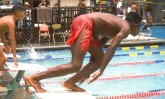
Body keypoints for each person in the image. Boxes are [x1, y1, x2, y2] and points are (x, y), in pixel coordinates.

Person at [23, 11, 142, 92]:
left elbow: (98, 48)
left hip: (85, 23)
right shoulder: (125, 28)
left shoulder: (117, 25)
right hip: (85, 22)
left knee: (99, 59)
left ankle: (70, 83)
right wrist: (101, 71)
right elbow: (111, 49)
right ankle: (34, 78)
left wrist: (89, 70)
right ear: (132, 23)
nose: (139, 30)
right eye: (139, 26)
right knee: (75, 65)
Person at [0, 3, 26, 76]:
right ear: (18, 13)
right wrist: (15, 57)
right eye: (24, 13)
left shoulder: (8, 19)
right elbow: (13, 41)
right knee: (3, 59)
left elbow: (1, 32)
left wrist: (6, 45)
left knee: (2, 59)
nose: (25, 15)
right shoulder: (11, 22)